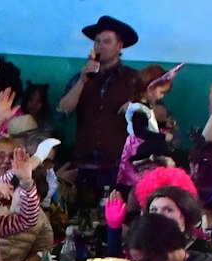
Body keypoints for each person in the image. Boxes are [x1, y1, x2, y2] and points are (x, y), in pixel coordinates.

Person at [58, 16, 146, 170]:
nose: (100, 46)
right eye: (97, 41)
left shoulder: (134, 78)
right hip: (83, 163)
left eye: (107, 41)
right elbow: (62, 113)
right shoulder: (81, 76)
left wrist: (138, 106)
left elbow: (158, 113)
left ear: (119, 46)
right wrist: (81, 81)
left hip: (119, 165)